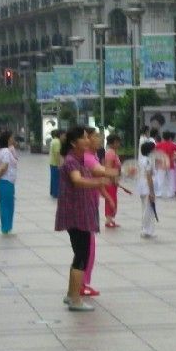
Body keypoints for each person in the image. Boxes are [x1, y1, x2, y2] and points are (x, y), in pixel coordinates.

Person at [55, 126, 111, 312]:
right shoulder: (72, 161)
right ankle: (76, 300)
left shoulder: (78, 159)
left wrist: (108, 178)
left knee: (79, 255)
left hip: (80, 214)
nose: (88, 140)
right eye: (85, 138)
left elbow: (98, 174)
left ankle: (72, 295)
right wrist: (98, 182)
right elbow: (77, 180)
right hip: (76, 215)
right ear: (74, 142)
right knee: (82, 256)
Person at [81, 127, 118, 297]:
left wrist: (106, 197)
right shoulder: (87, 158)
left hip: (91, 205)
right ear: (86, 140)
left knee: (90, 247)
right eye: (95, 136)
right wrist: (123, 172)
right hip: (85, 207)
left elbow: (98, 179)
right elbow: (102, 172)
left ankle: (84, 282)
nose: (99, 138)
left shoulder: (93, 156)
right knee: (87, 247)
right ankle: (81, 283)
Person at [0, 130, 18, 234]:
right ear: (7, 139)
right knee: (7, 205)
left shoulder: (3, 151)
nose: (13, 139)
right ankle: (6, 228)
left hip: (7, 182)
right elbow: (4, 166)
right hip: (5, 181)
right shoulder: (6, 151)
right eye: (11, 137)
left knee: (7, 205)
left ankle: (7, 227)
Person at [136, 140, 157, 238]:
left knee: (145, 208)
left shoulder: (142, 159)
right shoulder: (148, 160)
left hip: (141, 185)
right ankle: (146, 230)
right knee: (148, 209)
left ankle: (146, 229)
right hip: (146, 186)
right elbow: (149, 176)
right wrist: (152, 191)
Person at [103, 134, 123, 228]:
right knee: (110, 199)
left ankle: (111, 219)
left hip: (113, 180)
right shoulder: (110, 153)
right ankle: (108, 220)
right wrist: (113, 179)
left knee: (113, 199)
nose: (119, 144)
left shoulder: (113, 152)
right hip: (110, 181)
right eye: (118, 142)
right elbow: (108, 167)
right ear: (114, 142)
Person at [48, 129, 63, 198]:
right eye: (63, 135)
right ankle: (56, 193)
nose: (64, 137)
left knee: (53, 179)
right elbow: (57, 153)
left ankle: (53, 192)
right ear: (60, 135)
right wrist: (59, 163)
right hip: (55, 163)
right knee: (56, 179)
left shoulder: (53, 140)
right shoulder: (57, 142)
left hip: (52, 162)